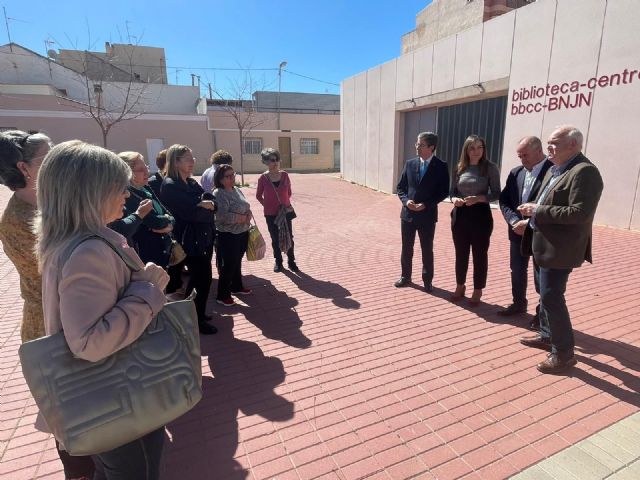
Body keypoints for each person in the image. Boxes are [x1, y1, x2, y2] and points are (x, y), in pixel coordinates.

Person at [36, 140, 169, 479]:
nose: (126, 193)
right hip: (118, 401)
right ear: (90, 192)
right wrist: (147, 289)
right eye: (118, 185)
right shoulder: (89, 251)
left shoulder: (70, 241)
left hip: (102, 400)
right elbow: (90, 342)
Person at [0, 131, 96, 480]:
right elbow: (57, 273)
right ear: (24, 168)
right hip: (50, 325)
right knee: (68, 414)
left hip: (75, 315)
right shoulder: (17, 221)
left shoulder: (52, 204)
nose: (58, 160)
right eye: (48, 156)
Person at [517, 126, 603, 374]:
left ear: (573, 145)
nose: (549, 148)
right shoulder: (556, 169)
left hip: (560, 248)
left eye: (554, 143)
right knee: (544, 295)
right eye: (548, 143)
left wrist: (537, 211)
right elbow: (547, 202)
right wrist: (532, 216)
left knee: (553, 298)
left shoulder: (585, 172)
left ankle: (564, 354)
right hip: (542, 243)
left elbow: (579, 213)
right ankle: (547, 335)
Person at [160, 144, 217, 335]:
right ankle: (195, 320)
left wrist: (206, 205)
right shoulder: (170, 185)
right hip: (189, 241)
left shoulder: (191, 183)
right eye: (187, 159)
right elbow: (192, 214)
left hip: (203, 238)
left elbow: (212, 201)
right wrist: (203, 207)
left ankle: (195, 314)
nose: (192, 162)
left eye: (192, 158)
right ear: (176, 161)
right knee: (201, 279)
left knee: (202, 279)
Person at [498, 137, 552, 327]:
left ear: (538, 151)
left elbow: (553, 205)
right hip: (517, 232)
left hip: (540, 233)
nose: (522, 159)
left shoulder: (553, 171)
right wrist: (514, 221)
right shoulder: (516, 173)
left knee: (541, 276)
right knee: (517, 270)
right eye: (519, 156)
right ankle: (519, 303)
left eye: (525, 155)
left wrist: (528, 223)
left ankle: (541, 314)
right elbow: (504, 200)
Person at [395, 132, 449, 292]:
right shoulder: (410, 163)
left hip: (427, 215)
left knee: (427, 249)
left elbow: (443, 192)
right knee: (406, 248)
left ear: (431, 147)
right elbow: (401, 187)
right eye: (417, 144)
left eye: (421, 144)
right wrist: (406, 201)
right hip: (408, 215)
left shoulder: (441, 166)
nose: (417, 147)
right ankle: (405, 276)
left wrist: (425, 205)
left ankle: (427, 281)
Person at [450, 135, 501, 304]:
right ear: (466, 150)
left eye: (480, 147)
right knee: (461, 253)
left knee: (479, 254)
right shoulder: (460, 168)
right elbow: (452, 191)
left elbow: (496, 193)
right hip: (460, 215)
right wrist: (454, 199)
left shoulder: (490, 168)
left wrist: (479, 198)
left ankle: (478, 289)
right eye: (472, 148)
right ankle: (460, 285)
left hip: (481, 216)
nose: (476, 151)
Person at [115, 151, 175, 267]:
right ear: (127, 173)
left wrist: (170, 223)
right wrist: (168, 220)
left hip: (162, 250)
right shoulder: (128, 196)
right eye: (141, 169)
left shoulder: (146, 189)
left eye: (146, 167)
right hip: (146, 255)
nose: (147, 172)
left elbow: (169, 214)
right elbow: (155, 222)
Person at [213, 164, 252, 306]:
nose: (232, 178)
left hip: (242, 232)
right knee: (229, 264)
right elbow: (221, 216)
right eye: (228, 176)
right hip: (228, 234)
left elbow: (245, 205)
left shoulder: (236, 190)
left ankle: (237, 287)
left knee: (237, 261)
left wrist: (249, 213)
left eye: (233, 175)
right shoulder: (219, 193)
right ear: (220, 179)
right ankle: (222, 295)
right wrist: (241, 218)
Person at [256, 147, 298, 273]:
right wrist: (268, 205)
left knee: (289, 237)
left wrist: (283, 204)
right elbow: (258, 196)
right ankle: (278, 262)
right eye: (272, 160)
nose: (275, 163)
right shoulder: (263, 178)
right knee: (275, 238)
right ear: (265, 162)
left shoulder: (285, 175)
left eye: (277, 160)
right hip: (271, 214)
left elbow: (289, 193)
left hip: (285, 212)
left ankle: (291, 261)